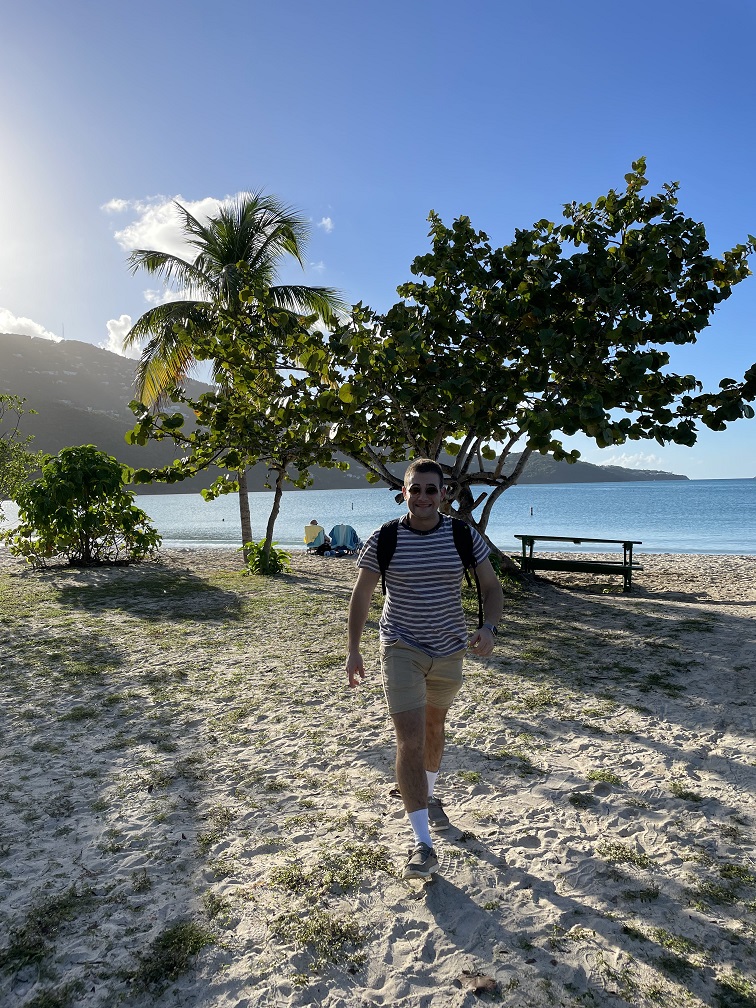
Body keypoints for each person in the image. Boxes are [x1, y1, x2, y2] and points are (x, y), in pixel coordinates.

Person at [346, 458, 503, 880]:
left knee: (434, 728)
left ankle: (429, 795)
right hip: (401, 646)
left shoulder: (461, 534)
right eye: (415, 489)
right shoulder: (386, 537)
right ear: (404, 491)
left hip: (449, 651)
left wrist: (488, 627)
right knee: (410, 738)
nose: (423, 497)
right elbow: (362, 595)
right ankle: (422, 844)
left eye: (431, 490)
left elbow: (491, 587)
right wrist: (353, 650)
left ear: (444, 494)